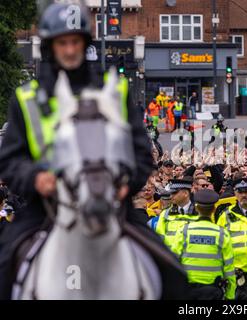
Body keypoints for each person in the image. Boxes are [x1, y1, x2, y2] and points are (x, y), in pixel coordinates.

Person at [0, 3, 192, 300]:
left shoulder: (114, 90)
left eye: (75, 41)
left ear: (85, 44)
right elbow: (11, 159)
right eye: (62, 42)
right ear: (52, 46)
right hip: (46, 207)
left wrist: (127, 184)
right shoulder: (28, 97)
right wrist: (35, 179)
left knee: (174, 272)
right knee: (3, 267)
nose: (69, 50)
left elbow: (141, 151)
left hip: (112, 203)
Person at [171, 190, 236, 300]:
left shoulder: (184, 231)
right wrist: (230, 295)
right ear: (214, 210)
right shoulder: (221, 233)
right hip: (213, 291)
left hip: (189, 290)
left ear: (196, 208)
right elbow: (229, 268)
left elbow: (174, 261)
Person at [155, 178, 198, 250]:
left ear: (186, 194)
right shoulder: (166, 213)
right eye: (171, 193)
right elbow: (159, 238)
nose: (171, 196)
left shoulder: (198, 212)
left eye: (174, 193)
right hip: (170, 257)